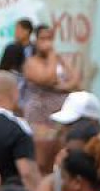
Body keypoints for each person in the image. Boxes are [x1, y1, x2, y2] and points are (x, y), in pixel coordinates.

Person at [21, 24, 74, 170]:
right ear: (36, 40)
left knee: (58, 156)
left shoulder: (60, 59)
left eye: (50, 39)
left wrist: (59, 86)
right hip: (39, 115)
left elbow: (75, 81)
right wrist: (51, 55)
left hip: (60, 114)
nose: (47, 43)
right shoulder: (31, 62)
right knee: (41, 159)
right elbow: (47, 78)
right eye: (43, 39)